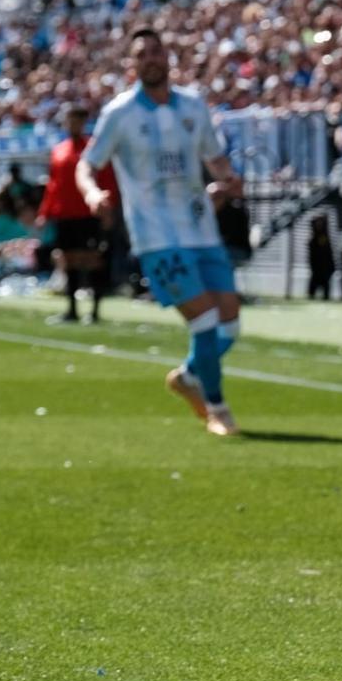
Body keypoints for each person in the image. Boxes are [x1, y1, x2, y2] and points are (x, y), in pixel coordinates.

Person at [78, 28, 246, 438]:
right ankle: (216, 408)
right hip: (155, 236)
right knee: (205, 319)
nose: (151, 59)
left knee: (230, 325)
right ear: (132, 64)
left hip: (200, 225)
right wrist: (92, 192)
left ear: (167, 58)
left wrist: (229, 180)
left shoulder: (192, 105)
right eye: (142, 54)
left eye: (157, 52)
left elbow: (215, 157)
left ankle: (188, 377)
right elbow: (87, 164)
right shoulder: (119, 113)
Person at [35, 104, 113, 325]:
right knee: (68, 260)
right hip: (65, 214)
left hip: (89, 213)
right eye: (69, 120)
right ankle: (72, 310)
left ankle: (95, 311)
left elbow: (106, 179)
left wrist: (108, 208)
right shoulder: (59, 150)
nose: (72, 125)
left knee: (93, 260)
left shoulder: (94, 149)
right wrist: (45, 212)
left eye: (77, 120)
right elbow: (53, 186)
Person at [306, 214, 336, 300]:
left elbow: (328, 254)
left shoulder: (325, 237)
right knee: (313, 286)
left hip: (325, 268)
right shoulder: (313, 239)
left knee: (325, 285)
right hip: (316, 268)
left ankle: (326, 298)